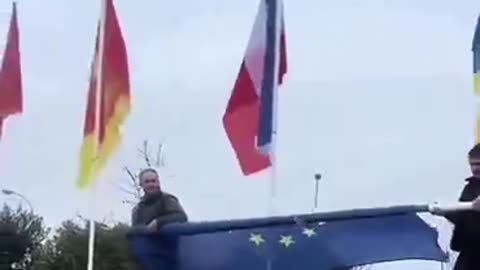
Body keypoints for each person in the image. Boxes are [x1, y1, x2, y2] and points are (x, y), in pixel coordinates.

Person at [443, 144, 480, 270]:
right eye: (472, 164)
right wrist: (445, 211)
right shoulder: (470, 187)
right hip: (469, 251)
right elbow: (464, 218)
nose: (475, 169)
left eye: (479, 164)